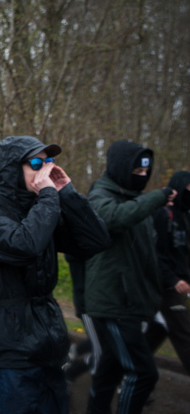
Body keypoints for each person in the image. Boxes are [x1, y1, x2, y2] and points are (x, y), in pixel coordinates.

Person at [0, 136, 110, 414]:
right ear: (12, 170)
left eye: (49, 162)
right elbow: (26, 245)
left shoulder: (44, 210)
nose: (45, 169)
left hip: (48, 345)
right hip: (8, 351)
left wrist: (66, 192)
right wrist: (48, 195)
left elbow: (97, 241)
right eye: (36, 162)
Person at [85, 140, 176, 414]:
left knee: (109, 371)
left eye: (145, 173)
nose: (142, 177)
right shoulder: (100, 195)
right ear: (122, 169)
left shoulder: (135, 199)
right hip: (114, 303)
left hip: (131, 302)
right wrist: (156, 197)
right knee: (143, 373)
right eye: (136, 171)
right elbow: (113, 218)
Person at [149, 170, 190, 374]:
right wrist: (173, 280)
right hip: (165, 287)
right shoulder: (164, 215)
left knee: (156, 332)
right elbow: (157, 253)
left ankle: (131, 369)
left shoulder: (185, 216)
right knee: (184, 334)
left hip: (178, 286)